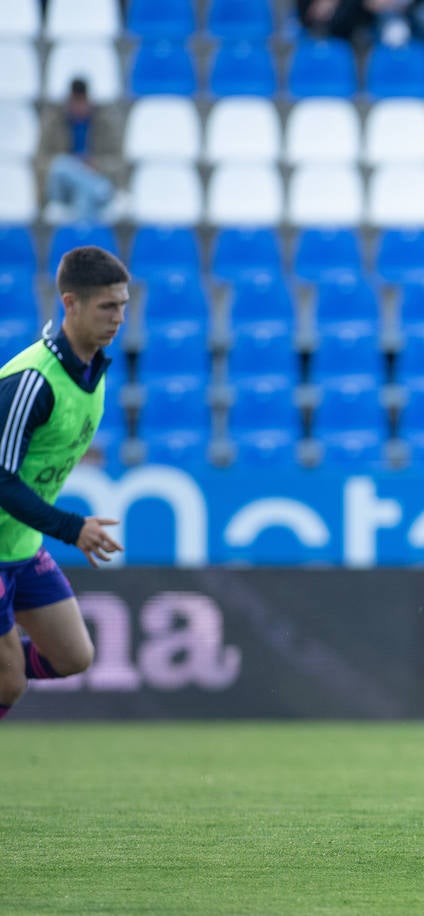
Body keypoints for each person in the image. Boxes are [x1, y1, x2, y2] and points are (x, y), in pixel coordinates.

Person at [0, 247, 130, 721]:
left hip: (18, 544)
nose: (119, 319)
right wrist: (71, 528)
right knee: (9, 682)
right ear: (70, 303)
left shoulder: (93, 372)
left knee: (74, 657)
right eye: (107, 307)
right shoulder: (33, 380)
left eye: (123, 306)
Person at [39, 78, 120, 225]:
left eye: (82, 102)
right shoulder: (53, 122)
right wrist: (73, 165)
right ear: (69, 102)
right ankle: (97, 188)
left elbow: (118, 161)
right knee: (61, 164)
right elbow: (42, 160)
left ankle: (80, 237)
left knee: (83, 194)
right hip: (61, 188)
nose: (79, 107)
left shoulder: (104, 123)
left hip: (90, 181)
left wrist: (97, 164)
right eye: (75, 102)